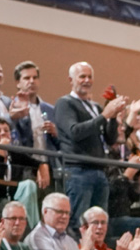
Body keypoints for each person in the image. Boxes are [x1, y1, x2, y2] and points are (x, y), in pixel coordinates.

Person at [54, 62, 128, 226]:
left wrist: (113, 116)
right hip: (78, 170)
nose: (87, 80)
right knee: (79, 222)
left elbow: (110, 139)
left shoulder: (95, 107)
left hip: (99, 171)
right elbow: (74, 132)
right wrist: (104, 115)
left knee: (99, 223)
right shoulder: (65, 103)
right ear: (71, 80)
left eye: (89, 77)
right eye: (82, 76)